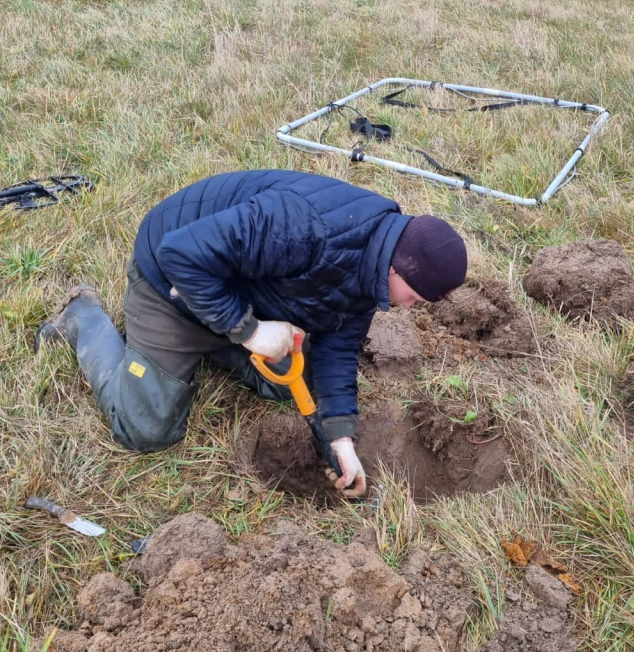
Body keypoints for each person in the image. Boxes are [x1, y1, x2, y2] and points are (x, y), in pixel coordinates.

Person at [36, 169, 468, 497]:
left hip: (236, 290)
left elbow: (339, 343)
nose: (409, 308)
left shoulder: (372, 258)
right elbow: (180, 255)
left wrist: (341, 436)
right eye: (413, 297)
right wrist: (249, 332)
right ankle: (83, 316)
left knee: (296, 380)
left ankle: (215, 340)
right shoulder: (304, 225)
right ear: (398, 267)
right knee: (146, 429)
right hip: (172, 282)